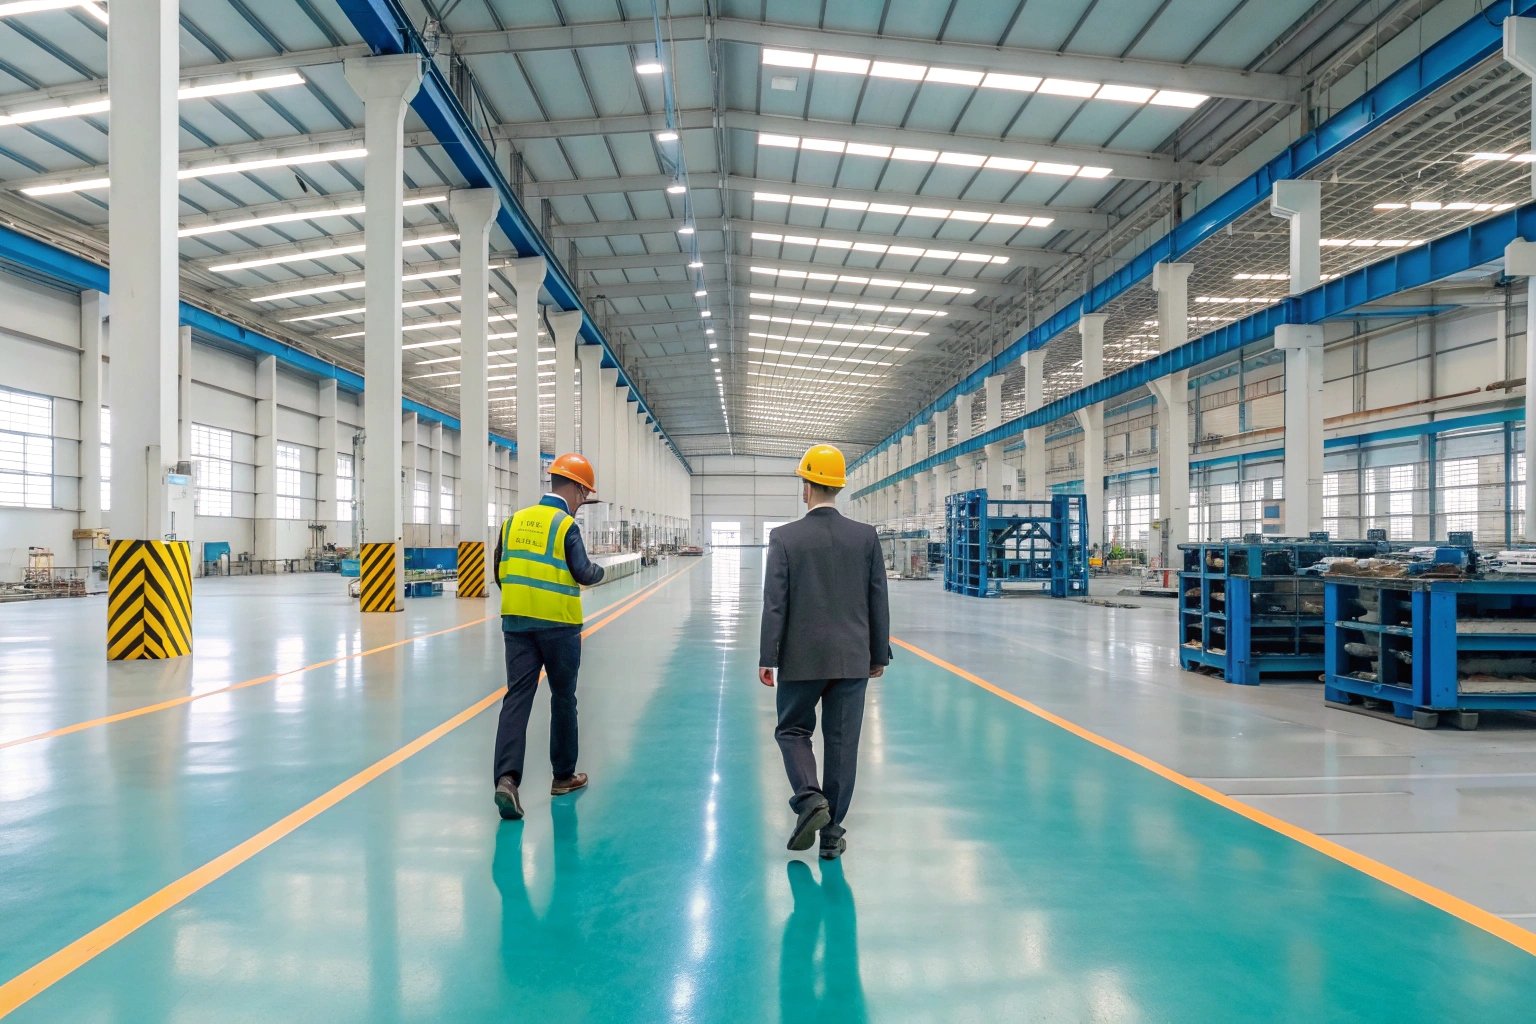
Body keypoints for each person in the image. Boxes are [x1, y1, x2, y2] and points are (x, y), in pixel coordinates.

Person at [759, 443, 891, 860]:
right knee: (841, 743)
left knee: (792, 730)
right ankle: (832, 834)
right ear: (838, 487)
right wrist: (877, 654)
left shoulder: (784, 538)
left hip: (801, 659)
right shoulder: (865, 537)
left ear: (806, 487)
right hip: (852, 658)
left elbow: (775, 602)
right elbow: (878, 599)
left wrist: (768, 656)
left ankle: (809, 798)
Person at [491, 452, 605, 820]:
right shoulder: (564, 525)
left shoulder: (513, 522)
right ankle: (563, 777)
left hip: (517, 625)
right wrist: (601, 572)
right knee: (562, 699)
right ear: (572, 487)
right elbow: (584, 572)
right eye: (584, 493)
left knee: (517, 698)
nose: (583, 500)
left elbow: (498, 571)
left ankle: (506, 780)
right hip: (559, 627)